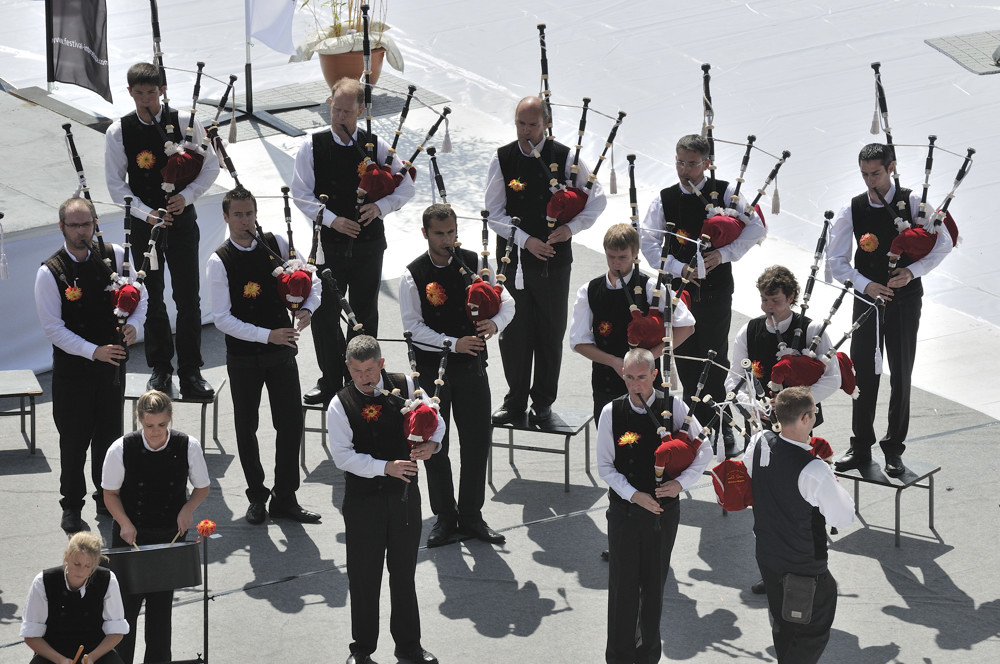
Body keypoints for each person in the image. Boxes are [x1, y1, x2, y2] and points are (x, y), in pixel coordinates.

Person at [827, 143, 952, 477]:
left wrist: (912, 271)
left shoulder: (913, 202)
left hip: (904, 299)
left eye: (876, 173)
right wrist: (864, 283)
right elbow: (835, 261)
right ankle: (861, 444)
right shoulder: (852, 208)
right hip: (867, 300)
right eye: (865, 174)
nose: (870, 180)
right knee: (862, 370)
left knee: (901, 371)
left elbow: (944, 242)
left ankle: (894, 447)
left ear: (891, 167)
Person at [292, 76, 415, 405]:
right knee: (325, 313)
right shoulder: (312, 145)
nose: (341, 116)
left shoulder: (377, 145)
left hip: (368, 245)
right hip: (329, 244)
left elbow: (405, 187)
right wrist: (333, 219)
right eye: (337, 109)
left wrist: (380, 206)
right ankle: (331, 378)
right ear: (330, 105)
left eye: (348, 111)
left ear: (360, 110)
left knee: (364, 313)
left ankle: (359, 379)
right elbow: (301, 194)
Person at [485, 95, 607, 424]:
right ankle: (515, 399)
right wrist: (526, 241)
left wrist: (571, 228)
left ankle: (543, 401)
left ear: (547, 123)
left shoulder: (566, 157)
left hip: (554, 259)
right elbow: (493, 215)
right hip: (515, 260)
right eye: (520, 124)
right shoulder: (503, 158)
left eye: (532, 124)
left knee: (550, 330)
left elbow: (596, 199)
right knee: (513, 329)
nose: (526, 131)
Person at [639, 134, 765, 453]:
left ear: (707, 163)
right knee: (684, 358)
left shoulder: (726, 192)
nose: (685, 170)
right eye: (680, 162)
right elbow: (648, 242)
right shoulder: (665, 198)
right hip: (679, 291)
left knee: (714, 356)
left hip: (716, 289)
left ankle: (719, 425)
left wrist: (723, 255)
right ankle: (695, 425)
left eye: (693, 164)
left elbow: (757, 228)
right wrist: (678, 267)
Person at [399, 203, 515, 548]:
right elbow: (412, 327)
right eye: (440, 234)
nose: (448, 240)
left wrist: (495, 323)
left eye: (451, 232)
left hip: (472, 368)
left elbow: (507, 301)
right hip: (433, 372)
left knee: (477, 442)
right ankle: (444, 517)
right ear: (425, 234)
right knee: (435, 444)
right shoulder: (412, 275)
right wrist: (453, 342)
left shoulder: (475, 264)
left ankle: (472, 516)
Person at [206, 186, 322, 525]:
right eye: (238, 215)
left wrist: (309, 309)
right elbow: (222, 319)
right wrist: (267, 335)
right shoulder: (219, 260)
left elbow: (310, 278)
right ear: (226, 218)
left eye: (250, 214)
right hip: (243, 357)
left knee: (289, 424)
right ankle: (257, 496)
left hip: (281, 352)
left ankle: (285, 496)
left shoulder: (276, 244)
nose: (246, 221)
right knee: (247, 427)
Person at [327, 335, 445, 664]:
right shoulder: (340, 403)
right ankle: (361, 650)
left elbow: (436, 421)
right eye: (357, 371)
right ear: (348, 368)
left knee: (403, 573)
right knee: (364, 576)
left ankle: (409, 646)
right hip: (363, 502)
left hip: (404, 498)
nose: (365, 378)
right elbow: (342, 458)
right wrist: (386, 467)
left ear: (381, 363)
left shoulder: (406, 385)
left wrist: (431, 445)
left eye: (370, 369)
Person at [105, 62, 219, 398]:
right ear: (129, 93)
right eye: (138, 94)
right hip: (145, 227)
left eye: (151, 93)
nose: (145, 100)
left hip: (182, 222)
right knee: (151, 297)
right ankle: (160, 369)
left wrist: (186, 197)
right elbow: (115, 183)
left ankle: (191, 371)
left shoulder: (185, 121)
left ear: (162, 90)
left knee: (188, 297)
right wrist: (145, 213)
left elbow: (209, 165)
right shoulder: (119, 131)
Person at [35, 197, 148, 533]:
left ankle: (106, 496)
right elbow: (53, 329)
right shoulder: (50, 272)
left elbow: (140, 295)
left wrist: (135, 326)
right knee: (73, 442)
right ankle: (71, 505)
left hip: (111, 370)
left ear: (95, 223)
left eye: (87, 224)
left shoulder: (112, 255)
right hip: (74, 373)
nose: (82, 232)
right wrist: (93, 351)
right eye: (75, 225)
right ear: (62, 228)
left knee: (110, 439)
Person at [597, 348, 712, 664]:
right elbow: (606, 467)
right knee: (622, 587)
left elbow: (705, 449)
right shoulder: (612, 412)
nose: (636, 384)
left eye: (642, 378)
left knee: (653, 585)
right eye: (630, 377)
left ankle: (648, 656)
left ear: (654, 376)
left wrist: (679, 484)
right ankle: (619, 657)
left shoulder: (673, 406)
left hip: (663, 512)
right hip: (625, 511)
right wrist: (634, 495)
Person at [743, 387, 855, 664]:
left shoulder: (758, 441)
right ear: (806, 418)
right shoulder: (815, 470)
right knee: (807, 636)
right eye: (815, 412)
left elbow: (750, 471)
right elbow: (843, 517)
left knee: (784, 628)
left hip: (769, 556)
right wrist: (829, 478)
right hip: (803, 566)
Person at [101, 390, 210, 663]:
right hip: (130, 536)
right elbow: (109, 494)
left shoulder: (188, 445)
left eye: (162, 425)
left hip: (167, 536)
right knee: (124, 612)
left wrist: (187, 509)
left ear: (170, 418)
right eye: (149, 426)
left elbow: (203, 487)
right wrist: (124, 523)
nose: (155, 432)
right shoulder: (121, 448)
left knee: (161, 612)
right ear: (139, 419)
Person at [570, 223, 695, 425]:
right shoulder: (589, 290)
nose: (616, 263)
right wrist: (614, 362)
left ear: (635, 254)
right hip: (606, 381)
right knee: (610, 439)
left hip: (644, 385)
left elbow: (687, 327)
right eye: (611, 256)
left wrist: (648, 357)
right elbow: (578, 342)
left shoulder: (650, 287)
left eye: (622, 257)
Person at [726, 265, 840, 440]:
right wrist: (752, 406)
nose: (767, 307)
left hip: (799, 420)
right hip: (760, 420)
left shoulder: (812, 329)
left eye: (775, 301)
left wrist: (794, 403)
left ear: (791, 297)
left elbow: (833, 378)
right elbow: (734, 378)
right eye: (764, 300)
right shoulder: (748, 331)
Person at [21, 531, 130, 664]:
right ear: (67, 556)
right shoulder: (43, 581)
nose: (81, 571)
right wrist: (61, 660)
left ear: (95, 564)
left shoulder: (107, 580)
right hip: (53, 653)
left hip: (95, 652)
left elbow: (116, 632)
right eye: (76, 564)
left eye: (88, 566)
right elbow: (31, 636)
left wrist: (91, 658)